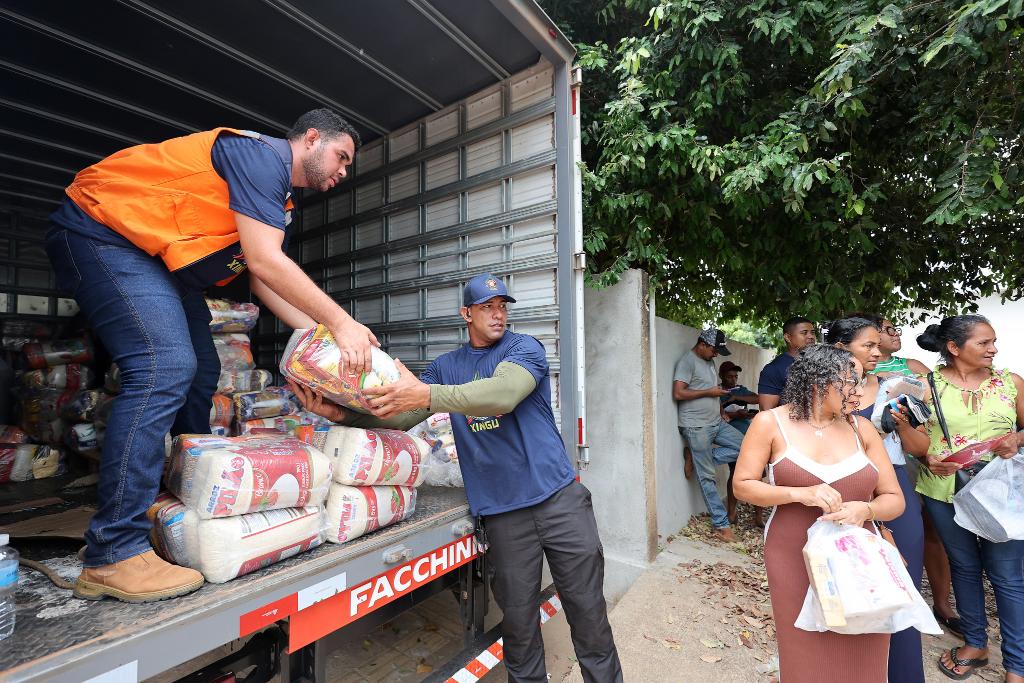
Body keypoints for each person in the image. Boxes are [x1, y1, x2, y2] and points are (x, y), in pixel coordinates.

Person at [45, 109, 378, 603]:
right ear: (310, 139)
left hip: (160, 265)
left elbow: (262, 278)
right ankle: (113, 551)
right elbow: (267, 260)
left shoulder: (279, 203)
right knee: (164, 367)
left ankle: (176, 501)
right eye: (341, 157)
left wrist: (318, 339)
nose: (343, 171)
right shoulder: (258, 156)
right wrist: (343, 324)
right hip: (103, 232)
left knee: (202, 371)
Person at [290, 273, 623, 683]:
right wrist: (340, 414)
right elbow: (403, 416)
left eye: (502, 306)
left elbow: (503, 394)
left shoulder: (524, 348)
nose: (498, 314)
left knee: (589, 617)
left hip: (559, 503)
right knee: (519, 630)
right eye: (487, 307)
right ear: (467, 314)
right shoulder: (446, 367)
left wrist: (428, 394)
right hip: (504, 516)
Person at [732, 344, 905, 683]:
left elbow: (895, 499)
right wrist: (800, 493)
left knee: (866, 644)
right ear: (819, 382)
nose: (860, 392)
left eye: (861, 381)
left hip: (860, 559)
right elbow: (743, 486)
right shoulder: (770, 423)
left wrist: (866, 508)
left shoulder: (862, 429)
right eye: (851, 382)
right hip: (792, 553)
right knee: (804, 648)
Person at [915, 315, 1024, 683]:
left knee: (1007, 575)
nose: (994, 349)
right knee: (963, 566)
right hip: (944, 490)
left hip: (1002, 493)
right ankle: (975, 644)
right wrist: (925, 457)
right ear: (954, 348)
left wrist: (1017, 439)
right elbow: (911, 436)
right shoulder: (926, 386)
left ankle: (1017, 668)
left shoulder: (1010, 383)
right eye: (984, 343)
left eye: (993, 342)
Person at [847, 311, 962, 635]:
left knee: (911, 551)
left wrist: (902, 421)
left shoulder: (906, 374)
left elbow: (922, 434)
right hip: (848, 478)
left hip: (899, 470)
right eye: (874, 338)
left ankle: (930, 612)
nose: (891, 335)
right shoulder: (830, 386)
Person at [828, 317, 929, 683]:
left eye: (877, 344)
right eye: (868, 345)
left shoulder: (895, 387)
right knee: (845, 590)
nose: (877, 351)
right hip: (840, 493)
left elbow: (921, 447)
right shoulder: (818, 390)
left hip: (892, 489)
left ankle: (902, 674)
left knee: (900, 588)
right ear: (841, 348)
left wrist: (900, 423)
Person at [673, 329, 743, 540]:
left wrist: (721, 411)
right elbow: (678, 393)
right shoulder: (687, 361)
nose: (716, 354)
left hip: (716, 422)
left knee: (746, 449)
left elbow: (713, 390)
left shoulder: (709, 361)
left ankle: (696, 458)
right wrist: (709, 392)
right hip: (696, 426)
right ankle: (722, 526)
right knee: (707, 477)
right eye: (714, 350)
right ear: (702, 344)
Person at [757, 316, 817, 411]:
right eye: (804, 333)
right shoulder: (774, 369)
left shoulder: (820, 364)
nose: (811, 336)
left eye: (812, 333)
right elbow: (767, 411)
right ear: (788, 337)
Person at [718, 360, 759, 435]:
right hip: (727, 432)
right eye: (729, 377)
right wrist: (735, 415)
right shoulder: (716, 391)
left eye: (736, 376)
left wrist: (737, 397)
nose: (734, 380)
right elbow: (714, 414)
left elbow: (758, 399)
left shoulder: (740, 389)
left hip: (747, 429)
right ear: (721, 376)